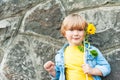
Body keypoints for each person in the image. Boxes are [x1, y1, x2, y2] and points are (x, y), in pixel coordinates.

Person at [44, 13, 111, 80]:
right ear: (64, 33)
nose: (76, 34)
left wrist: (92, 70)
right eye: (71, 30)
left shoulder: (91, 51)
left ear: (85, 33)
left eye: (80, 30)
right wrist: (52, 71)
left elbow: (106, 68)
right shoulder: (61, 55)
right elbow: (59, 76)